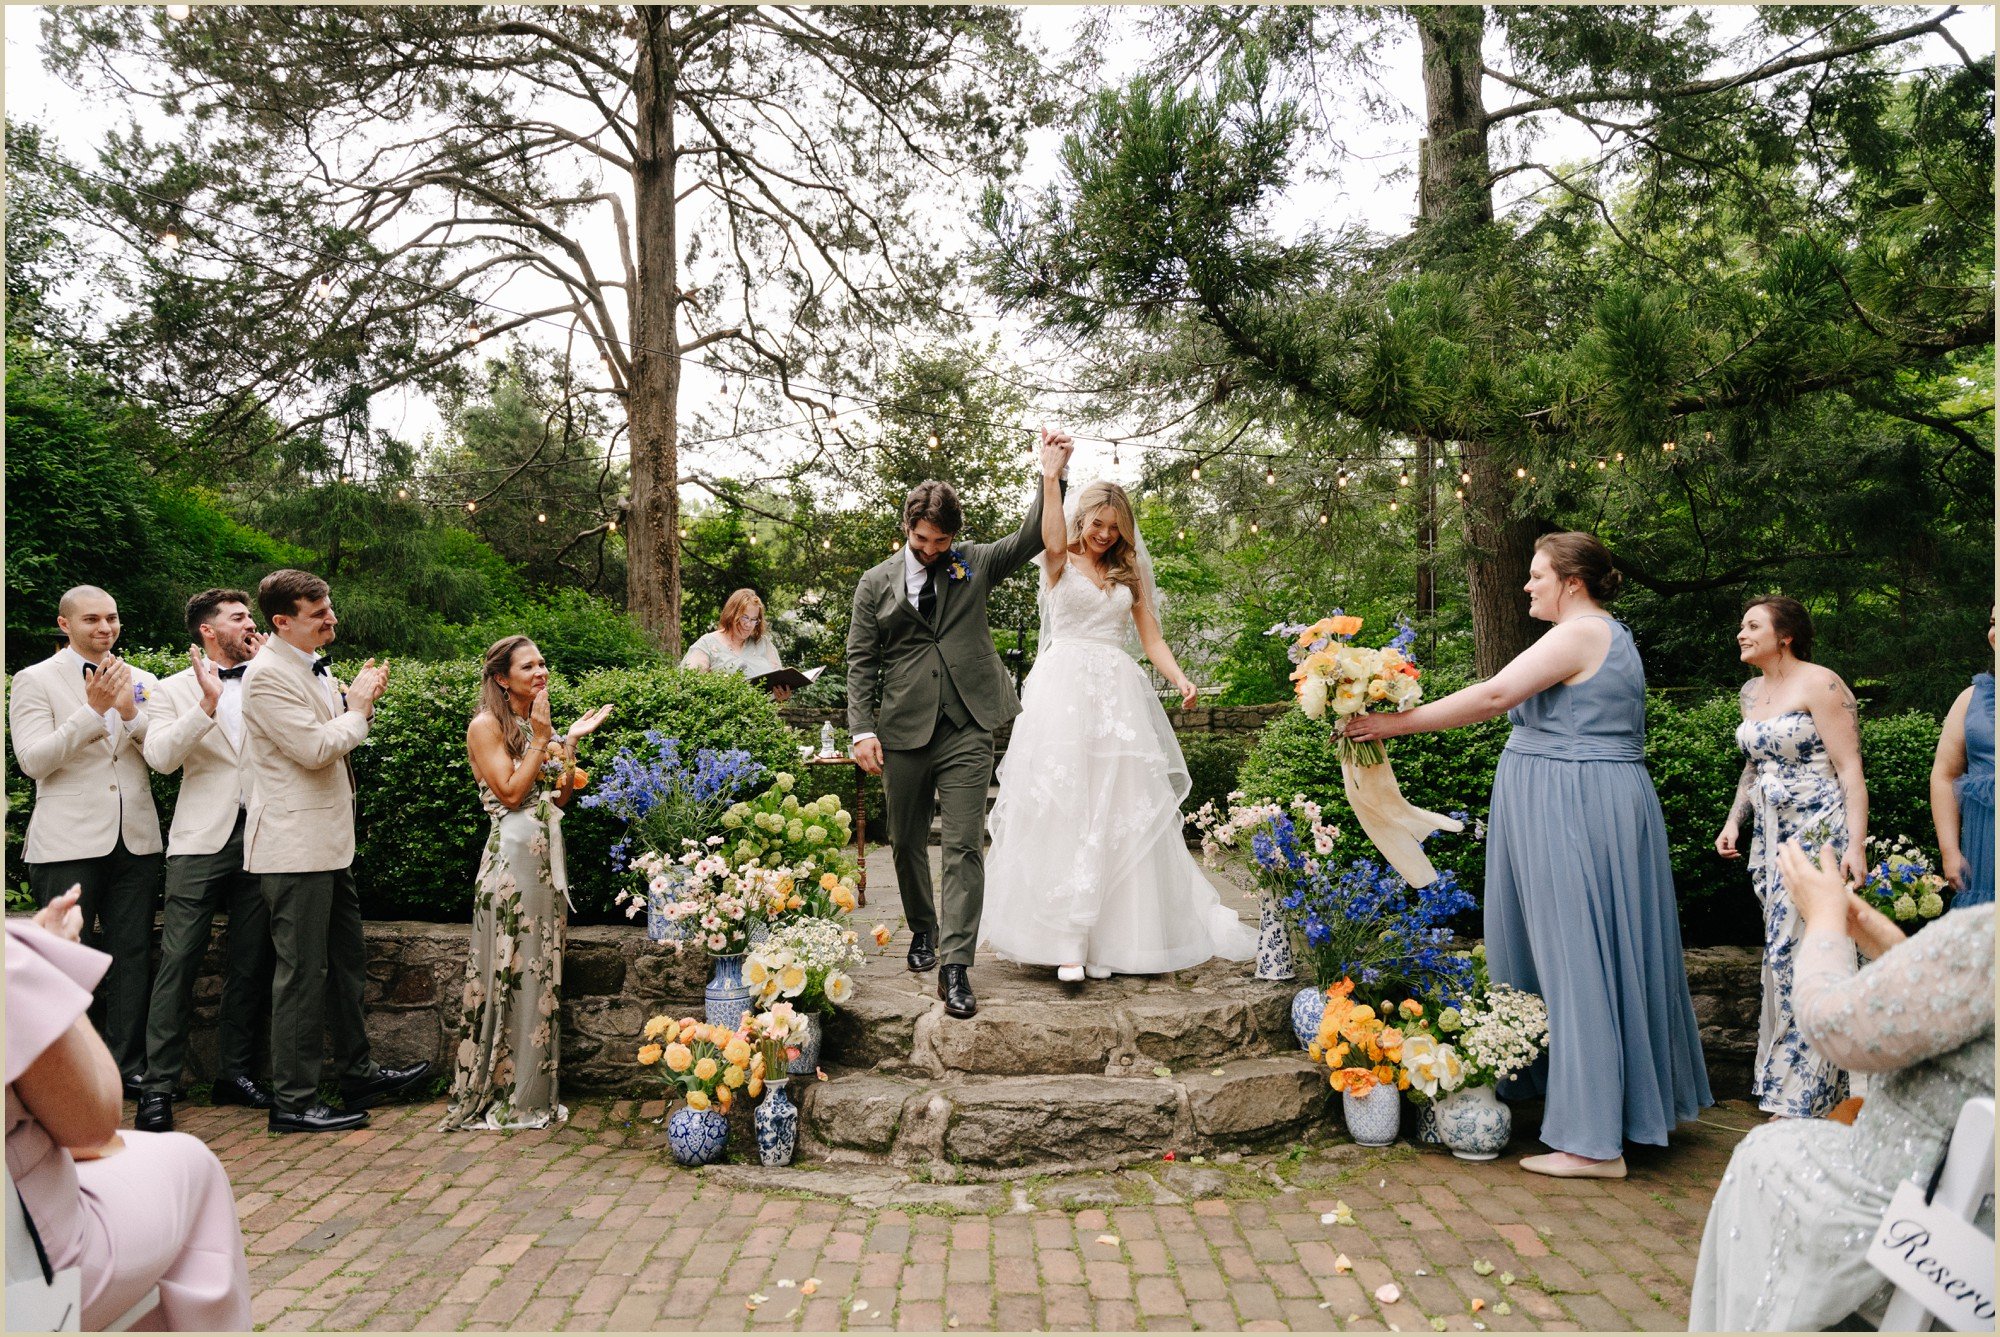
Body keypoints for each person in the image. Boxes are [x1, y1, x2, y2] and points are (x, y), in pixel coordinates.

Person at [1345, 532, 1711, 1179]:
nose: (1527, 584)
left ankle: (1595, 1144)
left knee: (1576, 959)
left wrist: (1389, 725)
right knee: (1588, 955)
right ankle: (1602, 1114)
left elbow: (1492, 697)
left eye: (1538, 574)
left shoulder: (1578, 633)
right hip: (1582, 796)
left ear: (1573, 581)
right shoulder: (1605, 634)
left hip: (1573, 805)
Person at [1688, 840, 1994, 1331]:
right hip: (1981, 1236)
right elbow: (1952, 1002)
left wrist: (1824, 921)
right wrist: (1877, 933)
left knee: (1766, 1150)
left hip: (1897, 1216)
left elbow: (1833, 1028)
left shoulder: (1988, 937)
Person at [981, 478, 1256, 981]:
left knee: (1116, 809)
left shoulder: (1129, 574)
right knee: (1065, 804)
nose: (1106, 534)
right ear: (1080, 521)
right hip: (1062, 695)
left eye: (1115, 527)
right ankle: (1065, 939)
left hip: (1116, 695)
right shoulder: (1057, 558)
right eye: (1097, 524)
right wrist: (1050, 476)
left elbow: (1152, 638)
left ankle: (1108, 938)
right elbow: (1048, 532)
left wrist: (1180, 678)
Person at [846, 428, 1072, 1019]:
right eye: (922, 540)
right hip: (900, 728)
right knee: (906, 841)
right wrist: (861, 729)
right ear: (906, 529)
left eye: (941, 541)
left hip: (968, 723)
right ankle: (921, 926)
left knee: (965, 843)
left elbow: (1034, 538)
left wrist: (1051, 477)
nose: (931, 550)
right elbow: (861, 661)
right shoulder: (874, 584)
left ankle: (955, 964)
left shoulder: (971, 562)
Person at [7, 887, 253, 1330]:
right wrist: (53, 974)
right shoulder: (10, 968)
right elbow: (94, 1127)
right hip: (30, 1272)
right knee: (193, 1165)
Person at [242, 568, 430, 1134]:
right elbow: (316, 748)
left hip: (330, 842)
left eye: (329, 607)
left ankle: (358, 1072)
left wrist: (351, 700)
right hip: (295, 848)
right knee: (301, 975)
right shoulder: (267, 676)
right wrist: (359, 705)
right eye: (317, 611)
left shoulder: (308, 666)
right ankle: (293, 1102)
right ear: (282, 621)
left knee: (347, 965)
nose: (331, 618)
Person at [439, 637, 612, 1131]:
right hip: (511, 864)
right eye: (528, 665)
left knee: (539, 971)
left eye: (542, 662)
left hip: (542, 862)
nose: (541, 671)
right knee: (511, 971)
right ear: (501, 677)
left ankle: (532, 1091)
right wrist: (542, 737)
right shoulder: (486, 726)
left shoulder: (532, 725)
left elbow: (559, 800)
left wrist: (570, 742)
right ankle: (499, 1089)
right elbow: (513, 795)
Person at [1713, 595, 1867, 1120]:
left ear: (1786, 635)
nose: (1741, 632)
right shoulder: (1751, 691)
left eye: (1752, 624)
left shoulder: (1822, 684)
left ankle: (1803, 1096)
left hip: (1819, 833)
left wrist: (1856, 847)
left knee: (1808, 955)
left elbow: (1850, 772)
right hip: (1771, 841)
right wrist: (1736, 821)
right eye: (1741, 623)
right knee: (1779, 960)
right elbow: (1754, 767)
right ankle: (1796, 1088)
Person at [7, 585, 164, 1092]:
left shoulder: (141, 679)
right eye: (92, 619)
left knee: (133, 954)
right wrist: (92, 712)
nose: (105, 628)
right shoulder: (34, 681)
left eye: (112, 618)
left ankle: (126, 1069)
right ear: (64, 624)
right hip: (66, 842)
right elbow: (33, 761)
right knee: (63, 958)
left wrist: (131, 715)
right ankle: (65, 1077)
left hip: (135, 838)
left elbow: (159, 752)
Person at [135, 589, 278, 1134]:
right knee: (179, 961)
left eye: (250, 617)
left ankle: (235, 1075)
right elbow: (162, 758)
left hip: (265, 834)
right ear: (207, 631)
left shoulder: (269, 678)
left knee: (250, 961)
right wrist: (208, 703)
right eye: (239, 618)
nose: (250, 624)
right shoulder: (169, 689)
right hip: (199, 839)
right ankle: (158, 1086)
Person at [1931, 608, 1995, 908]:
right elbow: (1944, 775)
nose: (1993, 633)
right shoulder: (1971, 699)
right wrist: (1949, 851)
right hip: (1985, 856)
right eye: (1993, 623)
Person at [682, 589, 793, 700]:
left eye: (754, 619)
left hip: (763, 715)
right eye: (744, 617)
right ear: (731, 614)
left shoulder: (763, 643)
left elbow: (778, 681)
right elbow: (688, 685)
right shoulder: (707, 643)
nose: (748, 624)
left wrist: (781, 697)